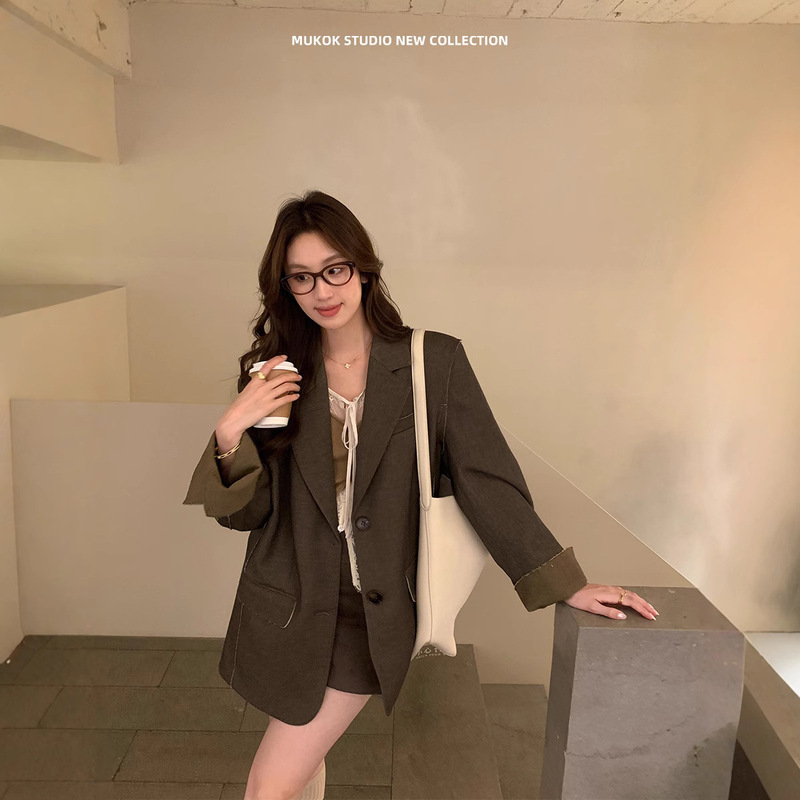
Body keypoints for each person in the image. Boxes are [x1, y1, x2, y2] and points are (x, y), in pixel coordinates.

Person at [183, 190, 659, 800]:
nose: (322, 291)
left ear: (363, 267)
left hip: (371, 609)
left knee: (268, 786)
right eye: (302, 278)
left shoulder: (431, 361)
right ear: (286, 288)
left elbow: (486, 480)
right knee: (301, 764)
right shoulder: (278, 375)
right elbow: (249, 515)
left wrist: (564, 581)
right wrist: (230, 432)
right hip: (292, 607)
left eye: (334, 270)